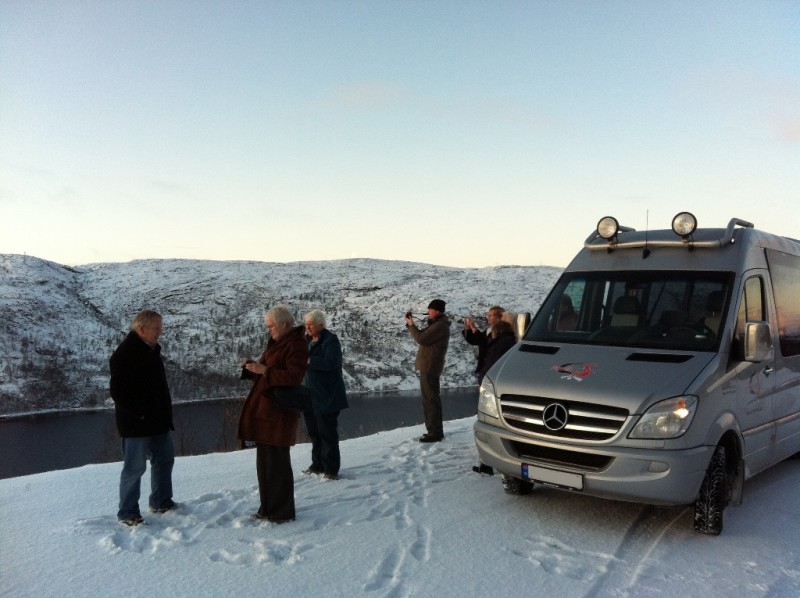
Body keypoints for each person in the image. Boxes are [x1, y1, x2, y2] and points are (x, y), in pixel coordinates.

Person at [238, 305, 308, 523]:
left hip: (278, 414)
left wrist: (265, 370)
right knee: (266, 465)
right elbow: (267, 373)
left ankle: (281, 513)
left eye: (270, 326)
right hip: (266, 414)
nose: (268, 330)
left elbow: (294, 376)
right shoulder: (278, 343)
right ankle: (267, 508)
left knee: (277, 465)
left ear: (283, 324)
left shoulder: (296, 345)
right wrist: (253, 368)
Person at [109, 309, 176, 526]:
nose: (160, 332)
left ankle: (161, 501)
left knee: (164, 460)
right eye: (157, 328)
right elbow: (119, 394)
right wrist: (141, 414)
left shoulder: (151, 350)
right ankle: (127, 513)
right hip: (137, 425)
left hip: (158, 421)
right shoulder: (124, 354)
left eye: (160, 327)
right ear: (142, 328)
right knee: (134, 468)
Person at [302, 310, 349, 480]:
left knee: (327, 434)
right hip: (309, 395)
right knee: (314, 433)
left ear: (321, 325)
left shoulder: (331, 341)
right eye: (306, 324)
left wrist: (309, 360)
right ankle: (317, 465)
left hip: (327, 396)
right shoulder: (306, 341)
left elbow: (331, 363)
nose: (307, 327)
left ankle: (330, 470)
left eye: (311, 324)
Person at [405, 299, 450, 442]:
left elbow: (421, 338)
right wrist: (412, 324)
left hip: (430, 367)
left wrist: (411, 325)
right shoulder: (437, 325)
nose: (428, 312)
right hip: (429, 366)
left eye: (430, 309)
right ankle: (433, 431)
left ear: (437, 311)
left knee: (430, 400)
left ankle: (435, 433)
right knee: (430, 399)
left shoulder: (440, 326)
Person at [462, 306, 504, 379]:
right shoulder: (489, 330)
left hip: (491, 366)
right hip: (485, 365)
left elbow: (484, 342)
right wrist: (468, 330)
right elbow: (475, 341)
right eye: (489, 315)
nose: (489, 318)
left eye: (491, 315)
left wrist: (474, 329)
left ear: (499, 317)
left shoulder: (501, 331)